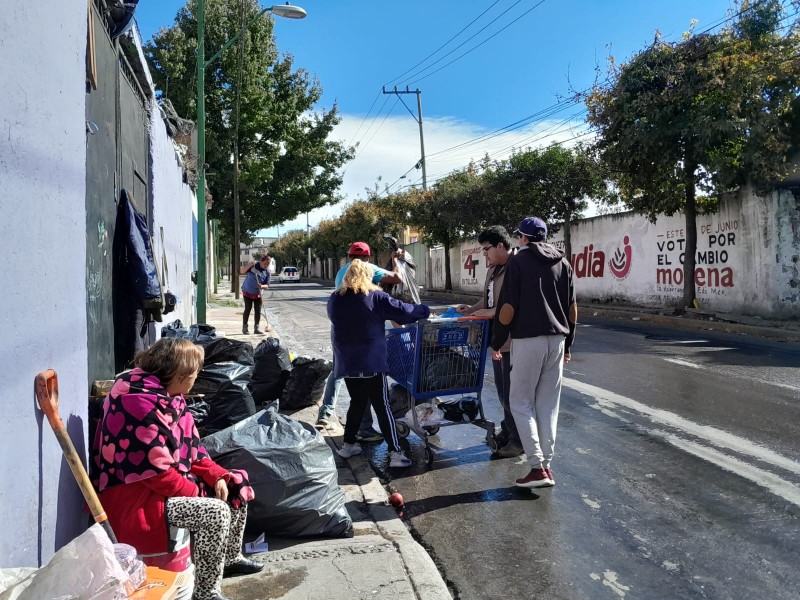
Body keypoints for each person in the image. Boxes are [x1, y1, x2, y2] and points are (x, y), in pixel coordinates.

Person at [93, 338, 262, 600]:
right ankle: (206, 592)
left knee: (233, 483)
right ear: (179, 374)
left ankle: (229, 558)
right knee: (215, 512)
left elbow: (190, 449)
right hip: (135, 497)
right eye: (194, 374)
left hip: (164, 484)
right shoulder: (138, 404)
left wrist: (216, 474)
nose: (196, 379)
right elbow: (157, 474)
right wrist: (199, 491)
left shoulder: (167, 396)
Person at [491, 217, 577, 489]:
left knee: (519, 401)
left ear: (524, 238)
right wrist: (569, 344)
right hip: (557, 340)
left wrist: (497, 341)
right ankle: (547, 466)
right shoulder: (563, 262)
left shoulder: (518, 261)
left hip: (528, 340)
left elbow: (507, 308)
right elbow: (573, 308)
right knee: (548, 405)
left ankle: (537, 467)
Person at [327, 259, 430, 468]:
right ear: (368, 276)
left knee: (357, 402)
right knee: (382, 406)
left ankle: (348, 445)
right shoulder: (376, 297)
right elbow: (404, 311)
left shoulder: (335, 299)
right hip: (371, 362)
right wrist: (425, 311)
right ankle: (395, 454)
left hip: (348, 362)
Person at [316, 241, 403, 442]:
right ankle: (364, 427)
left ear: (348, 256)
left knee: (341, 371)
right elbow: (397, 278)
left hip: (340, 327)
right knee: (366, 377)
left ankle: (326, 413)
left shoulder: (341, 272)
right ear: (368, 258)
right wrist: (395, 261)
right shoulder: (367, 268)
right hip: (362, 328)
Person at [457, 225, 522, 458]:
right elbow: (488, 300)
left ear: (501, 246)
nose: (485, 255)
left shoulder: (517, 267)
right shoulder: (494, 270)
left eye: (486, 250)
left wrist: (489, 313)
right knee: (503, 391)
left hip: (514, 341)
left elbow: (515, 307)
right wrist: (472, 309)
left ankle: (518, 441)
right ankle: (509, 430)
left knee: (513, 394)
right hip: (497, 340)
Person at [240, 253, 271, 335]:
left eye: (268, 264)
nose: (266, 265)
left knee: (258, 311)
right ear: (261, 261)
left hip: (258, 294)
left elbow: (267, 285)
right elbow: (242, 272)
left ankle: (256, 328)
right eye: (265, 263)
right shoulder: (253, 266)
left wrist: (261, 286)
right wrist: (249, 265)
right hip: (247, 291)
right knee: (248, 309)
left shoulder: (267, 272)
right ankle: (245, 328)